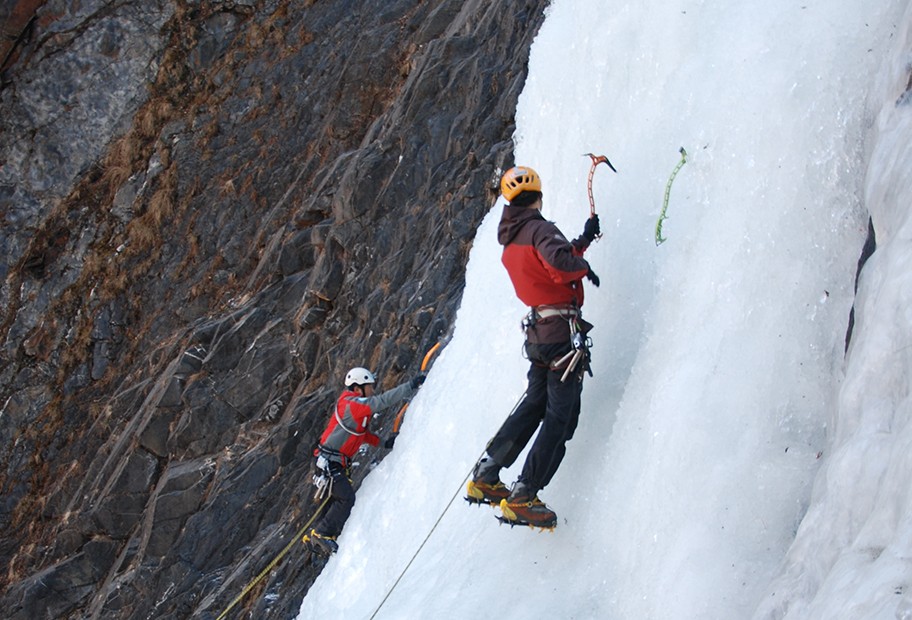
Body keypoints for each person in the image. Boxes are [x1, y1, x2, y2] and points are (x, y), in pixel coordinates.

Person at [466, 165, 600, 528]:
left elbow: (548, 261)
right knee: (561, 416)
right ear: (538, 195)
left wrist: (581, 243)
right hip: (560, 337)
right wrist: (583, 266)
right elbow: (558, 262)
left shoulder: (513, 237)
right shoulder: (540, 228)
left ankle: (487, 472)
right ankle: (525, 492)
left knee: (533, 405)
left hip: (540, 335)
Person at [304, 366, 425, 555]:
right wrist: (410, 385)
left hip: (332, 461)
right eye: (369, 386)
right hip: (329, 461)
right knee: (345, 497)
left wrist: (384, 443)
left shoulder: (354, 408)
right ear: (358, 387)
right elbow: (381, 402)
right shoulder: (352, 404)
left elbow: (362, 435)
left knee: (335, 497)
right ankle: (321, 533)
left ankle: (314, 534)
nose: (372, 389)